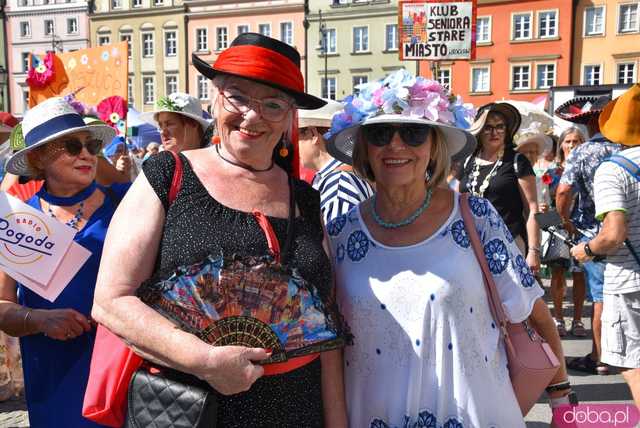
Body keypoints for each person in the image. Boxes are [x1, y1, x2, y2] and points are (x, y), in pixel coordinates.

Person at [92, 33, 347, 427]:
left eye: (274, 104)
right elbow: (111, 301)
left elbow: (325, 328)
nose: (252, 116)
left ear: (290, 118)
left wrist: (337, 423)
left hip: (298, 408)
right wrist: (205, 360)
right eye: (238, 96)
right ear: (214, 96)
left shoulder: (306, 199)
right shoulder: (169, 175)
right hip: (192, 407)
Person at [325, 71, 569, 427]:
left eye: (413, 133)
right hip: (373, 415)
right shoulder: (340, 235)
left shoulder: (475, 217)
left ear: (434, 145)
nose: (395, 146)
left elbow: (533, 312)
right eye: (380, 134)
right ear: (364, 148)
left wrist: (562, 400)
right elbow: (330, 347)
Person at [0, 97, 129, 427]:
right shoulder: (16, 220)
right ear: (39, 157)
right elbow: (2, 306)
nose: (86, 154)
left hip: (119, 363)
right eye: (72, 145)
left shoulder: (128, 201)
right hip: (53, 370)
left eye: (91, 145)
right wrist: (39, 319)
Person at [572, 84, 640, 406]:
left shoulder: (615, 169)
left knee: (633, 366)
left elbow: (612, 234)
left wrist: (586, 250)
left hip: (630, 281)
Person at [555, 95, 620, 375]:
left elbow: (563, 192)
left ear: (589, 122)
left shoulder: (583, 152)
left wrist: (565, 220)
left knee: (601, 297)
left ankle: (600, 357)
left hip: (596, 231)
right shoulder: (627, 146)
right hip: (630, 229)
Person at [459, 102, 541, 273]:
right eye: (488, 127)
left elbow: (532, 209)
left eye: (500, 127)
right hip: (471, 243)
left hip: (508, 240)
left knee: (508, 298)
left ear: (507, 130)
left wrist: (533, 251)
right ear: (480, 130)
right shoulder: (468, 161)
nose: (494, 132)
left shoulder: (517, 161)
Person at [542, 127, 587, 337]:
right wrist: (550, 217)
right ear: (561, 145)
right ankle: (558, 318)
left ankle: (577, 320)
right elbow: (542, 206)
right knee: (557, 274)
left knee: (580, 275)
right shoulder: (551, 173)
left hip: (582, 228)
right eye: (567, 141)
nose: (571, 145)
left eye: (576, 141)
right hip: (558, 230)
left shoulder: (588, 169)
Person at [298, 99, 373, 223]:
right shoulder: (343, 174)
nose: (292, 145)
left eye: (296, 136)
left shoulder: (338, 183)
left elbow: (337, 240)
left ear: (313, 134)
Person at [141, 92, 211, 153]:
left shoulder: (214, 160)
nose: (162, 132)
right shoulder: (156, 164)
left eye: (169, 124)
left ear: (193, 124)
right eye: (160, 126)